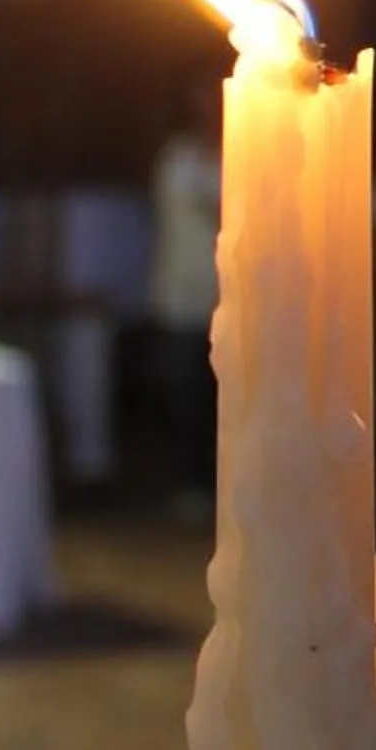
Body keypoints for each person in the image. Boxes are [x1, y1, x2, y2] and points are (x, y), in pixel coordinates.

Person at [148, 82, 221, 514]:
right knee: (183, 392)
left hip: (227, 298)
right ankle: (192, 481)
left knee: (223, 395)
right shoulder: (174, 158)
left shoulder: (243, 156)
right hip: (180, 290)